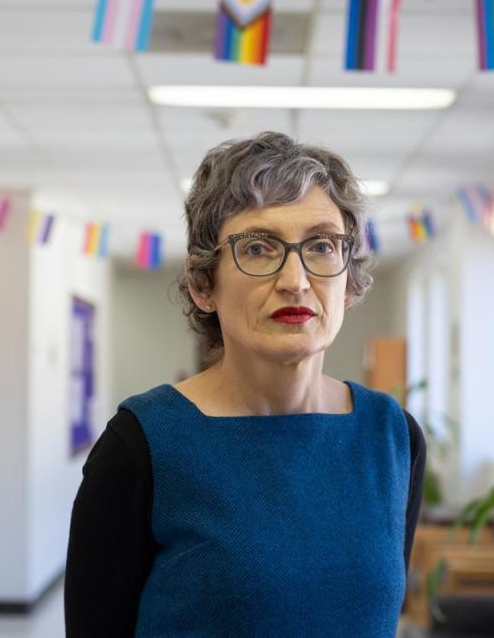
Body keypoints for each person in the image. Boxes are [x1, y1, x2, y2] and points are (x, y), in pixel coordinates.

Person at [65, 132, 427, 637]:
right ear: (203, 285)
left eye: (322, 245)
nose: (296, 280)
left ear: (349, 282)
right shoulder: (142, 445)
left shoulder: (392, 438)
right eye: (258, 248)